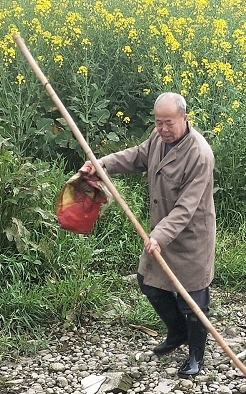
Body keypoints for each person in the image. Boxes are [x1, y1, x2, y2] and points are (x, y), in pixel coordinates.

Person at [81, 92, 216, 377]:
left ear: (184, 119)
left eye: (169, 123)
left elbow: (186, 207)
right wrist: (101, 164)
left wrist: (159, 235)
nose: (163, 129)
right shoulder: (158, 140)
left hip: (190, 236)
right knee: (149, 283)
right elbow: (135, 156)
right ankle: (177, 333)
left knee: (192, 298)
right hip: (161, 233)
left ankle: (196, 356)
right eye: (158, 123)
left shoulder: (199, 155)